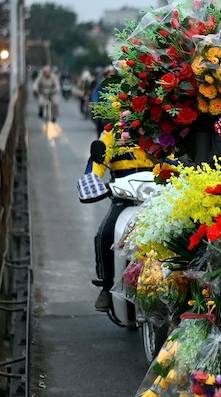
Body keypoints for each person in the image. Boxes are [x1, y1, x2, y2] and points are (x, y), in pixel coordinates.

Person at [83, 129, 155, 311]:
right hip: (124, 196)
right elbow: (97, 163)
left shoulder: (162, 127)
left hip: (158, 195)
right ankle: (106, 285)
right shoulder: (112, 133)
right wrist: (92, 179)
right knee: (106, 233)